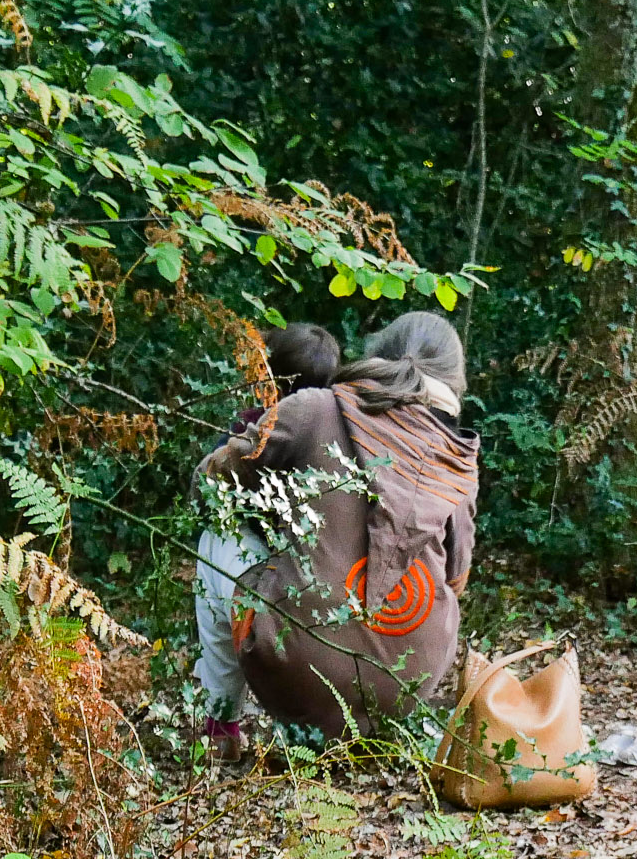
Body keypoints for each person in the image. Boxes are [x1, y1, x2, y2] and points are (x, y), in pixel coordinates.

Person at [198, 311, 479, 734]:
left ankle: (220, 728)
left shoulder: (315, 408)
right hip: (407, 689)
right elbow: (457, 580)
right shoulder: (456, 455)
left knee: (217, 537)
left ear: (377, 353)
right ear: (453, 379)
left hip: (300, 676)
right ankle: (376, 725)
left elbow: (212, 481)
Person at [194, 321, 341, 750]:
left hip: (271, 575)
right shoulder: (348, 436)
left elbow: (207, 491)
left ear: (269, 379)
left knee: (214, 545)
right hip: (331, 583)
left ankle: (222, 723)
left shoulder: (255, 429)